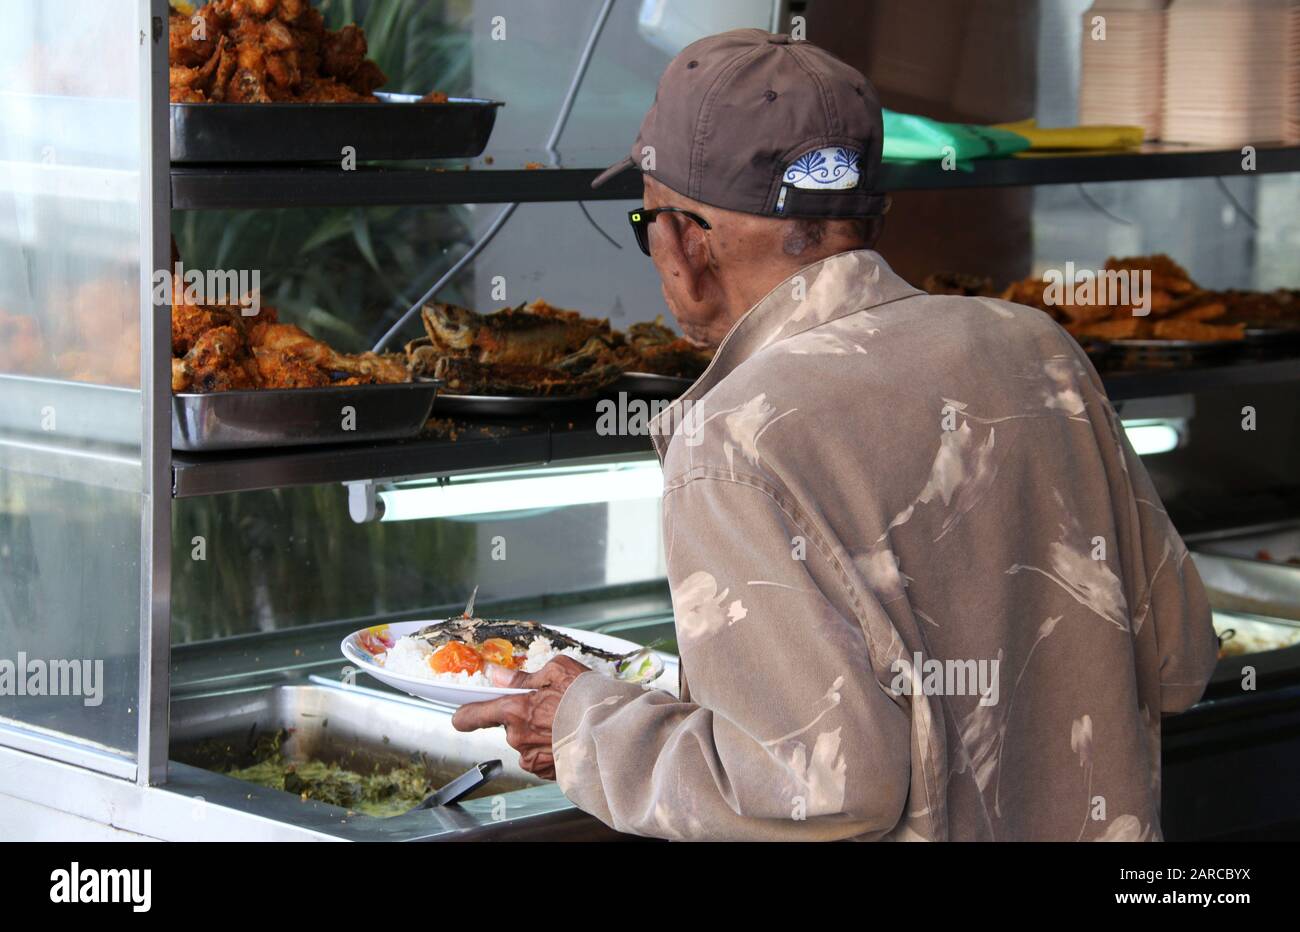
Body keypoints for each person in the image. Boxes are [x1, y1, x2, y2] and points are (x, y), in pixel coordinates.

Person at [452, 29, 1218, 841]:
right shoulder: (1039, 347)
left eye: (649, 219)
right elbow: (1181, 659)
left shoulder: (733, 441)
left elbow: (821, 794)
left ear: (686, 240)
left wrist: (585, 725)